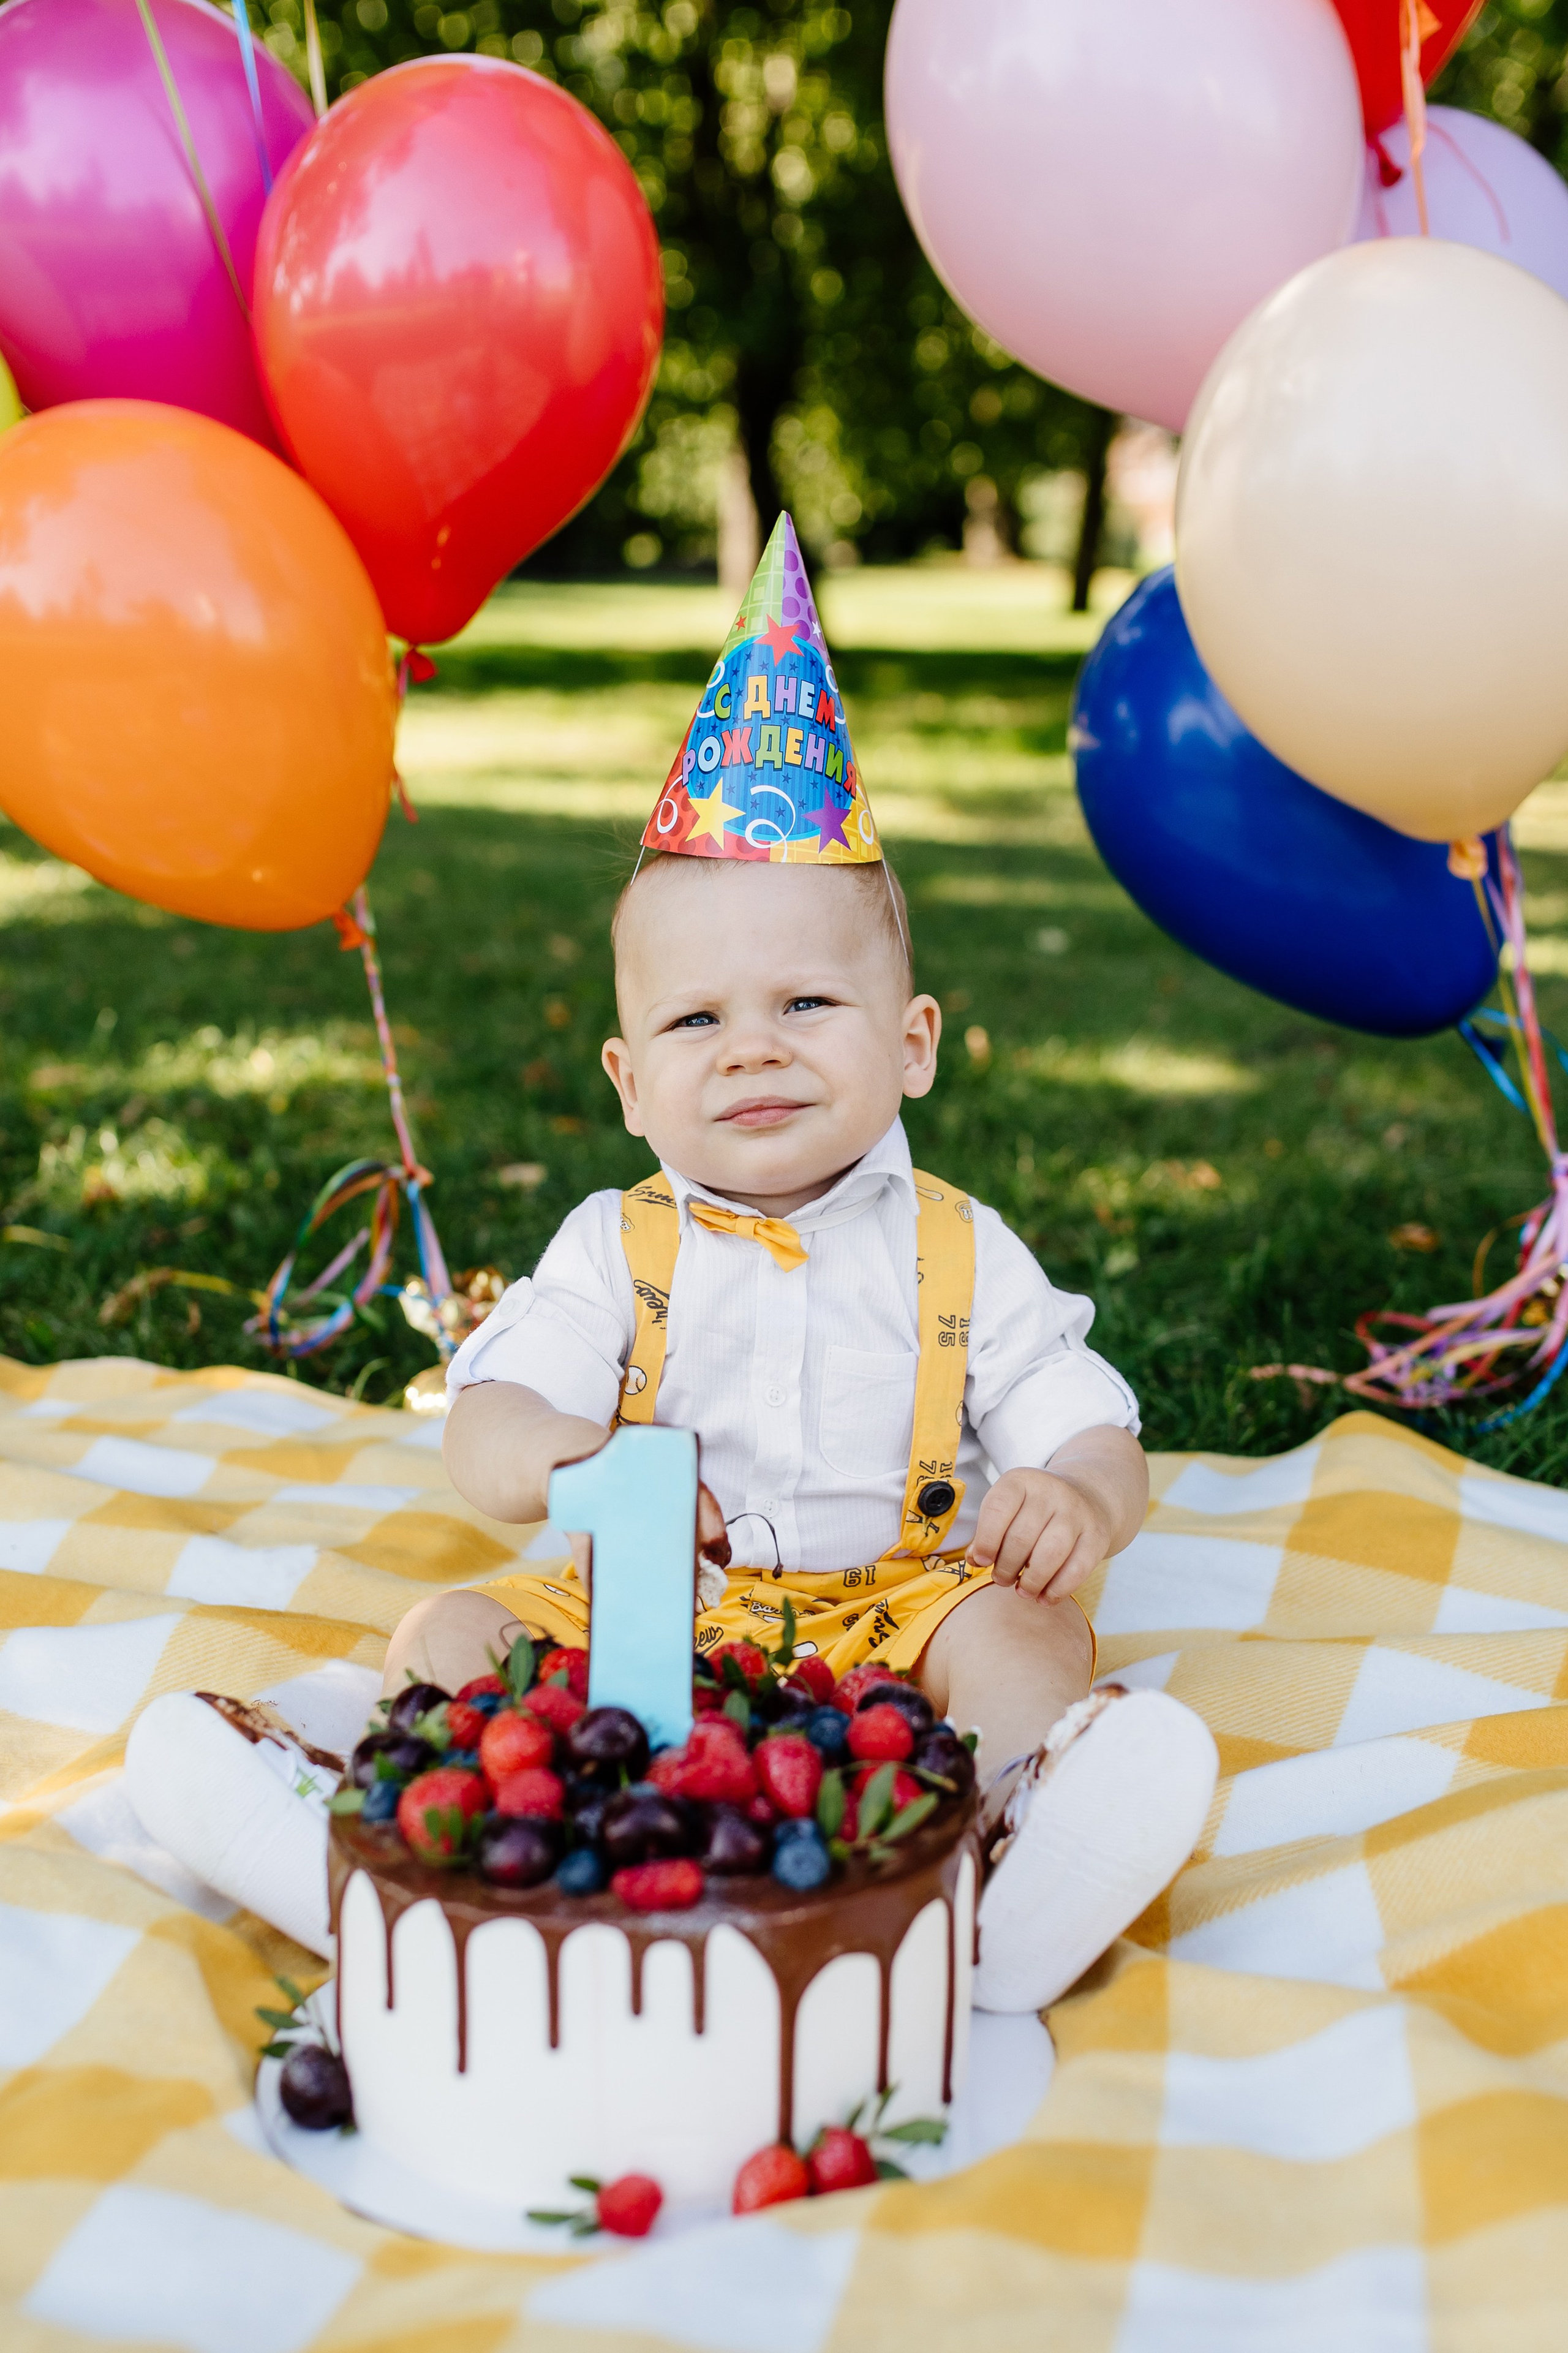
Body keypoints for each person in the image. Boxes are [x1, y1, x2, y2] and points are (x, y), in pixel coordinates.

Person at [127, 514, 1216, 2009]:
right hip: (644, 1620)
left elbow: (1091, 1429)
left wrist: (1072, 1503)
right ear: (631, 1083)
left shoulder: (960, 1250)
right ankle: (385, 1860)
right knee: (447, 1633)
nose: (753, 1044)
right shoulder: (610, 1244)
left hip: (901, 1609)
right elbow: (487, 1425)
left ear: (910, 1047)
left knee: (1032, 1637)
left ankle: (1003, 1875)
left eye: (808, 1002)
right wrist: (576, 1462)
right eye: (697, 1021)